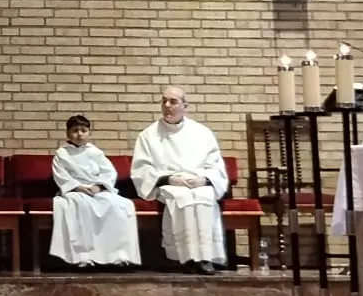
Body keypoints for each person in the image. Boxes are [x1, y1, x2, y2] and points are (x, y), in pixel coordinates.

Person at [130, 87, 231, 274]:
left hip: (197, 182)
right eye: (164, 101)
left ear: (185, 106)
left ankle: (205, 257)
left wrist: (205, 179)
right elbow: (142, 169)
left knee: (204, 196)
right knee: (181, 197)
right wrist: (168, 178)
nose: (167, 105)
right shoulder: (148, 135)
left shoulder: (202, 133)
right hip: (169, 184)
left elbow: (215, 165)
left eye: (173, 101)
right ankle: (186, 257)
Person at [49, 115, 140, 269]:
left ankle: (117, 254)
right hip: (75, 190)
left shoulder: (95, 152)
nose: (79, 134)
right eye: (75, 130)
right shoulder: (62, 153)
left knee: (118, 204)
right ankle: (83, 255)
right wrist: (78, 187)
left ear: (89, 133)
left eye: (83, 130)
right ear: (67, 133)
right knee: (80, 205)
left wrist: (99, 186)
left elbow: (109, 172)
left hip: (96, 189)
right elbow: (61, 175)